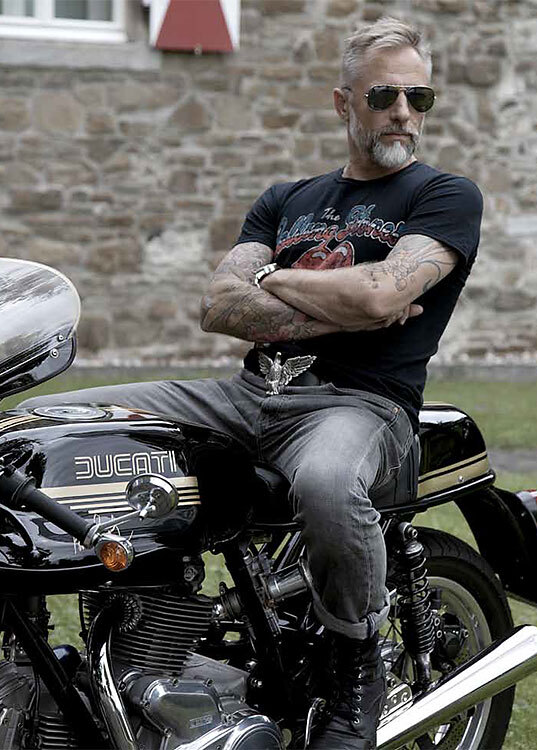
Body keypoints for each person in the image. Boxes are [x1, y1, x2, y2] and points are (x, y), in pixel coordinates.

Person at [21, 16, 483, 750]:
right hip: (246, 394)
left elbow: (382, 297)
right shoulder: (284, 198)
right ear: (343, 103)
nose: (403, 112)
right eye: (384, 96)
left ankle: (355, 672)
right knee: (41, 424)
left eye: (418, 97)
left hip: (358, 405)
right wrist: (341, 299)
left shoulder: (444, 195)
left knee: (328, 484)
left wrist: (272, 280)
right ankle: (50, 644)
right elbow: (218, 306)